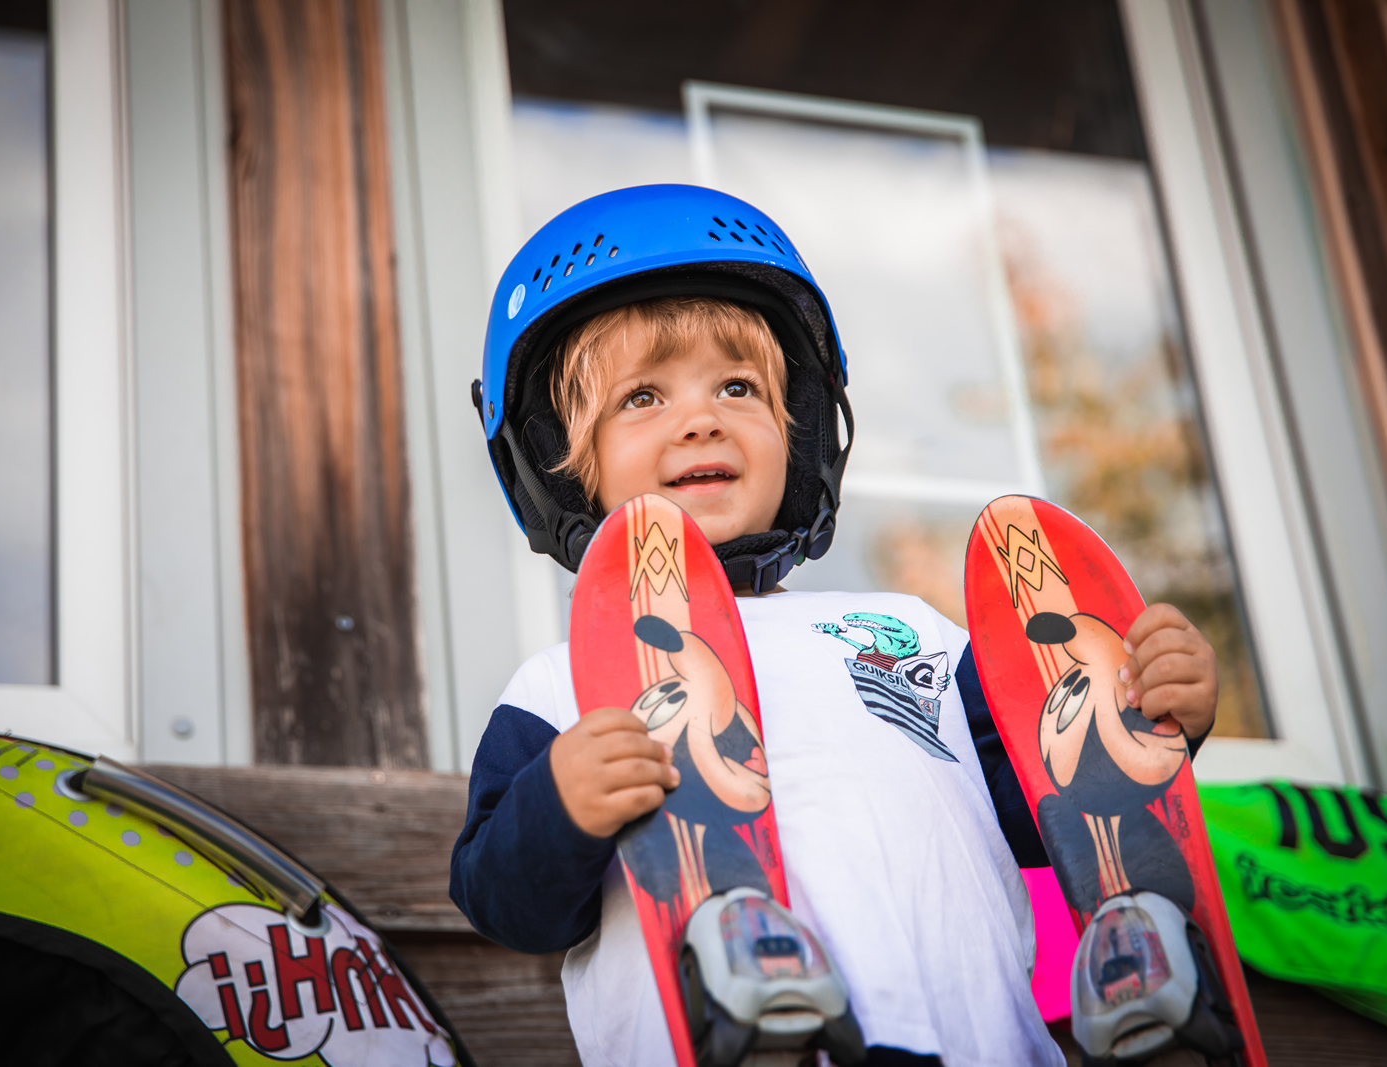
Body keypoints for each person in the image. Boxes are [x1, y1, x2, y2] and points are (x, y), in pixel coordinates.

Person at [450, 185, 1219, 1066]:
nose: (702, 417)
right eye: (642, 399)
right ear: (559, 466)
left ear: (803, 432)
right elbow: (506, 903)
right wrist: (559, 802)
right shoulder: (564, 684)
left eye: (737, 386)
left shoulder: (906, 629)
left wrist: (1153, 712)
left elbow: (1050, 804)